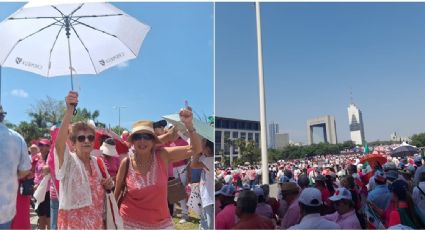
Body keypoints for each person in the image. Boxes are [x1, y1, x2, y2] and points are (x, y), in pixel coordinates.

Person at [115, 107, 201, 229]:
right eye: (137, 137)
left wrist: (189, 125)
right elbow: (116, 194)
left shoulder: (163, 155)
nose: (142, 140)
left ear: (153, 140)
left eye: (147, 136)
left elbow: (195, 149)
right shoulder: (126, 162)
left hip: (160, 223)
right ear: (133, 141)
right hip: (128, 223)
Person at [54, 91, 115, 229]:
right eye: (81, 138)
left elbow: (106, 190)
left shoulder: (98, 162)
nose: (86, 141)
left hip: (97, 224)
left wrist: (109, 186)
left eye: (90, 137)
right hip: (74, 225)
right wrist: (70, 110)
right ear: (73, 143)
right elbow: (58, 145)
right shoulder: (69, 162)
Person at [0, 105, 32, 229]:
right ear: (2, 116)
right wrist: (12, 175)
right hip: (4, 210)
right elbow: (25, 170)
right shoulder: (16, 138)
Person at [191, 139, 214, 230]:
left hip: (208, 195)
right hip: (206, 192)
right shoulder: (207, 158)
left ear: (208, 148)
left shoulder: (209, 160)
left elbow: (193, 165)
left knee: (209, 220)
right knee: (206, 217)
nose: (201, 144)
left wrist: (197, 151)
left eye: (203, 143)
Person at [34, 139, 52, 229]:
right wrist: (36, 184)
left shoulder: (51, 159)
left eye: (43, 145)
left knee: (49, 217)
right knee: (41, 216)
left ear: (48, 147)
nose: (40, 146)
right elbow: (37, 174)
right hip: (40, 191)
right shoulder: (38, 159)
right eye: (40, 144)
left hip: (49, 192)